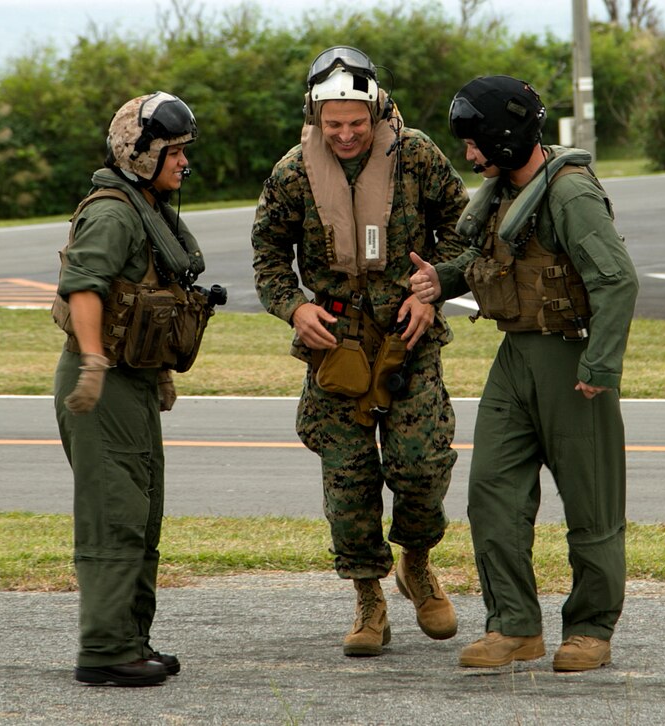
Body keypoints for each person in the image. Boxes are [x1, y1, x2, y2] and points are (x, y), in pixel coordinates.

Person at [409, 75, 639, 672]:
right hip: (514, 358)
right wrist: (443, 280)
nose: (468, 153)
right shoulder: (508, 191)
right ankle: (514, 626)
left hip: (570, 362)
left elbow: (616, 280)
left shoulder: (568, 194)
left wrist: (600, 365)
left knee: (592, 506)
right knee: (491, 492)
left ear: (505, 138)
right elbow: (494, 259)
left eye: (475, 141)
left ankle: (590, 628)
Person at [251, 46, 470, 657]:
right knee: (348, 483)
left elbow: (464, 227)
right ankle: (368, 599)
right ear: (316, 119)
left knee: (422, 466)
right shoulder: (292, 173)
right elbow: (267, 255)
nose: (346, 136)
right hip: (337, 348)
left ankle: (417, 564)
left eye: (356, 123)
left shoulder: (418, 156)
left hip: (409, 338)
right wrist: (294, 307)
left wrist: (436, 287)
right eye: (333, 126)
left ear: (377, 110)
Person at [53, 91, 218, 686]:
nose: (183, 163)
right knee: (113, 516)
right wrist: (94, 361)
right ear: (141, 154)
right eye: (173, 152)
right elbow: (85, 286)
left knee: (141, 515)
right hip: (102, 386)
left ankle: (130, 638)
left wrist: (157, 371)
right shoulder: (113, 212)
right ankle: (104, 650)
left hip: (134, 383)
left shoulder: (144, 207)